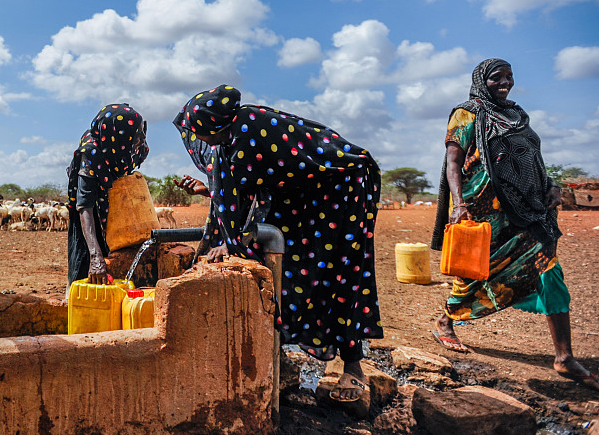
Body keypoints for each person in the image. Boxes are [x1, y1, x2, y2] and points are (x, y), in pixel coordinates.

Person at [173, 85, 382, 402]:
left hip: (337, 190)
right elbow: (230, 193)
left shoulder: (244, 136)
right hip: (301, 195)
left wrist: (229, 242)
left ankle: (354, 369)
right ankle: (276, 349)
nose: (199, 141)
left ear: (217, 126)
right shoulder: (232, 135)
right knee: (278, 267)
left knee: (339, 272)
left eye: (201, 134)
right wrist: (226, 238)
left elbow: (232, 198)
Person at [430, 59, 598, 390]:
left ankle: (564, 358)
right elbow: (453, 162)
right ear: (482, 80)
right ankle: (444, 322)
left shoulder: (517, 116)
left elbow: (532, 159)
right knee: (476, 271)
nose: (506, 82)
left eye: (509, 76)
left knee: (549, 269)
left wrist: (550, 184)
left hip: (529, 210)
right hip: (485, 210)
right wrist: (459, 204)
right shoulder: (467, 114)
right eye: (497, 77)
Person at [66, 103, 149, 286]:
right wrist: (95, 256)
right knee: (86, 263)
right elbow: (85, 205)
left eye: (141, 132)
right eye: (136, 134)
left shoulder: (128, 145)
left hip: (115, 202)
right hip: (90, 212)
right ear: (119, 134)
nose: (140, 139)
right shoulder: (91, 152)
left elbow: (140, 153)